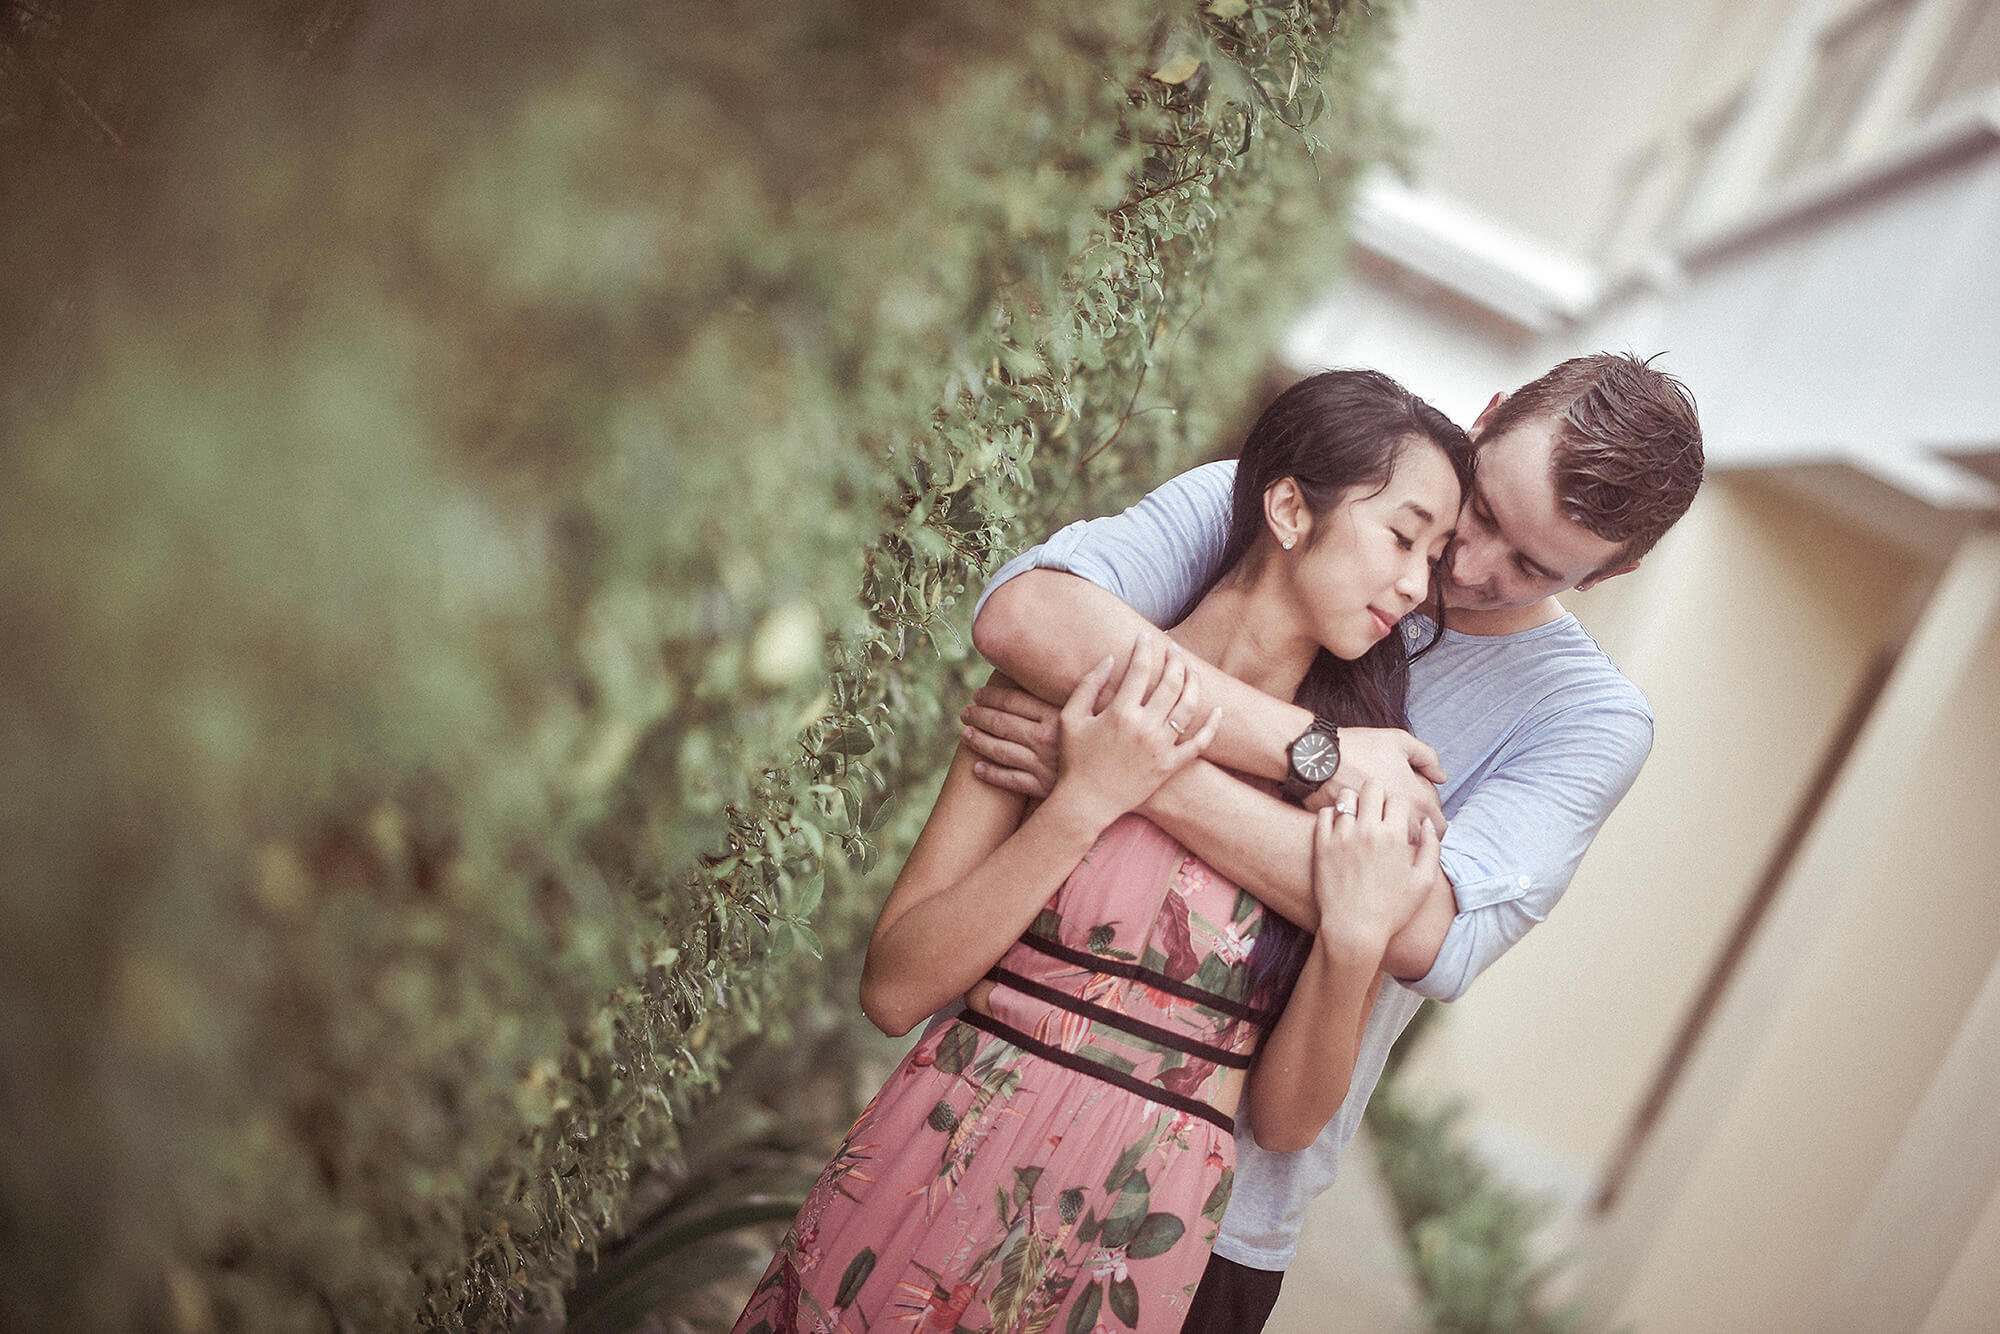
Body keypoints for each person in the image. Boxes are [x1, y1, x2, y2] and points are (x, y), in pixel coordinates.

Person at [963, 352, 1703, 1331]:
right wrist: (1314, 755)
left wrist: (1123, 763)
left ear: (1614, 572)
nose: (1468, 566)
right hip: (1001, 1086)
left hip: (1220, 1208)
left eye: (1530, 564)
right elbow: (1029, 616)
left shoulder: (1586, 718)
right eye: (1477, 509)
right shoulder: (1291, 501)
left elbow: (1421, 930)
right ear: (1478, 418)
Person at [730, 371, 1474, 1334]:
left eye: (1436, 556)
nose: (1416, 585)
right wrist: (1082, 801)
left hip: (1136, 1231)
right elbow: (895, 988)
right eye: (1403, 538)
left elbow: (1287, 1126)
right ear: (1289, 508)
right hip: (939, 1152)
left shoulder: (1363, 802)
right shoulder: (1063, 692)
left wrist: (1353, 942)